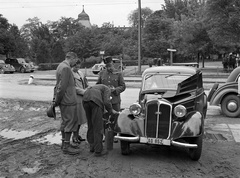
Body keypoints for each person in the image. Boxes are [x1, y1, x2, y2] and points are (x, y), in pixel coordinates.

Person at [53, 51, 80, 155]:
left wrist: (57, 100)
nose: (75, 62)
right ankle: (66, 147)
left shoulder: (60, 66)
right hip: (68, 100)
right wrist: (57, 100)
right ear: (72, 58)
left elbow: (59, 85)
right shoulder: (66, 68)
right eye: (75, 60)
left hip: (64, 99)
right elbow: (62, 87)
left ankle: (65, 143)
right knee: (69, 122)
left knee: (65, 122)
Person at [83, 84, 118, 157]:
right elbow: (106, 102)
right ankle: (98, 151)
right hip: (95, 101)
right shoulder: (107, 89)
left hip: (85, 99)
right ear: (111, 89)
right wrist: (111, 110)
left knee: (90, 124)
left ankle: (92, 146)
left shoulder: (98, 86)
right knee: (98, 126)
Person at [96, 56, 126, 142]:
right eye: (107, 66)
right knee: (104, 118)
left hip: (115, 100)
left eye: (110, 66)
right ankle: (106, 135)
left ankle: (115, 135)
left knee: (115, 117)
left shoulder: (118, 73)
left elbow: (123, 86)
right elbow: (98, 84)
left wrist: (115, 90)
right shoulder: (102, 73)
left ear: (113, 64)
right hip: (104, 100)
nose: (109, 68)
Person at [71, 59, 88, 144]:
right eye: (75, 67)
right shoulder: (70, 74)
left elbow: (85, 83)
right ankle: (74, 136)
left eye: (78, 66)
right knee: (76, 119)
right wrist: (84, 91)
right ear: (72, 65)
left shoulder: (81, 73)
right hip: (76, 98)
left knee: (80, 118)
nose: (77, 68)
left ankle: (77, 135)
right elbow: (73, 88)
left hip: (82, 98)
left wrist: (88, 89)